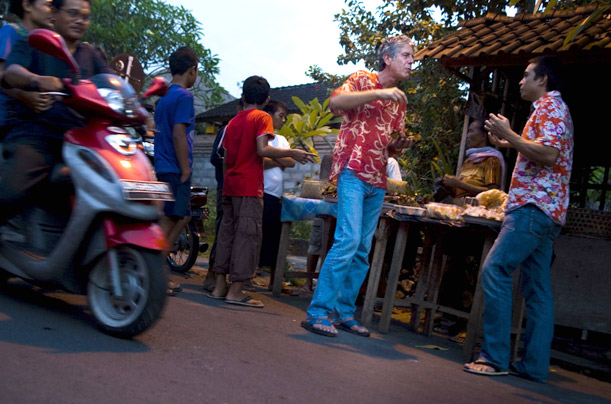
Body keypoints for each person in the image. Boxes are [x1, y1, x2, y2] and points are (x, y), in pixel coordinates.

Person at [464, 56, 573, 383]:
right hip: (547, 211)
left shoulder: (551, 108)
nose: (522, 81)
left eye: (527, 76)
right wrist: (508, 139)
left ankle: (495, 357)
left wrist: (510, 135)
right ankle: (534, 366)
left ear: (544, 79)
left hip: (532, 208)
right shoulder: (549, 110)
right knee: (537, 290)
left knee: (495, 269)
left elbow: (549, 155)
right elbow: (539, 152)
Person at [301, 35, 416, 337]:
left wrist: (400, 146)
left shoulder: (399, 100)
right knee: (348, 240)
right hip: (352, 170)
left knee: (363, 249)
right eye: (405, 55)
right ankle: (317, 312)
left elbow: (392, 146)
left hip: (377, 178)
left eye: (412, 57)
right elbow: (336, 102)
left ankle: (343, 313)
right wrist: (380, 93)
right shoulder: (363, 79)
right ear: (388, 58)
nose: (411, 61)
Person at [0, 0, 112, 225]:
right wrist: (35, 80)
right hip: (38, 135)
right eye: (73, 13)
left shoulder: (91, 54)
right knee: (9, 194)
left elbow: (112, 83)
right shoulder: (34, 42)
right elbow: (10, 72)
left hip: (82, 140)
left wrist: (138, 112)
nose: (80, 20)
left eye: (85, 16)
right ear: (56, 12)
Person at [207, 75, 315, 308]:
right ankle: (235, 292)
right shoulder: (262, 117)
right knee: (247, 237)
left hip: (230, 186)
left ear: (243, 96)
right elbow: (262, 149)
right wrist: (292, 153)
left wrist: (227, 182)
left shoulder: (233, 121)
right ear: (266, 99)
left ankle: (219, 287)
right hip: (248, 187)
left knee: (227, 235)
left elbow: (225, 158)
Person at [153, 46, 198, 296]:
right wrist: (184, 170)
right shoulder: (184, 97)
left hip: (163, 165)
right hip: (175, 167)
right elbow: (179, 134)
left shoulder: (164, 98)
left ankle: (155, 271)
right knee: (174, 220)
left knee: (175, 219)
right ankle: (156, 274)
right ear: (192, 70)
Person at [203, 99, 244, 293]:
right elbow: (215, 156)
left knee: (235, 233)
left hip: (243, 189)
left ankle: (226, 278)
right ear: (238, 109)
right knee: (223, 231)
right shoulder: (229, 127)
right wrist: (233, 167)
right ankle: (211, 274)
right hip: (226, 186)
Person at [0, 0, 54, 133]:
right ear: (27, 6)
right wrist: (25, 96)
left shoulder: (46, 40)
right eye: (48, 5)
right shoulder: (11, 31)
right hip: (7, 118)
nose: (52, 10)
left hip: (32, 122)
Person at [258, 99, 294, 276]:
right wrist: (279, 159)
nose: (284, 120)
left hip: (275, 196)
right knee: (258, 235)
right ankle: (251, 273)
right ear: (269, 116)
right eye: (281, 116)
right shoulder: (260, 137)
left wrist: (272, 158)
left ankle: (272, 275)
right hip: (261, 192)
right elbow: (259, 162)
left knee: (273, 237)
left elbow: (291, 161)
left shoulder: (281, 140)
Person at [437, 119, 504, 203]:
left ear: (483, 136)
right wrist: (449, 184)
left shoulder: (491, 160)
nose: (467, 136)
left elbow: (493, 193)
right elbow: (461, 191)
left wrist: (459, 184)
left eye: (471, 131)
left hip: (478, 211)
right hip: (460, 207)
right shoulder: (468, 161)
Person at [304, 153, 333, 290]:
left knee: (330, 248)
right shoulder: (330, 157)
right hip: (326, 207)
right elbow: (325, 182)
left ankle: (323, 283)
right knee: (316, 245)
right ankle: (308, 281)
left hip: (339, 209)